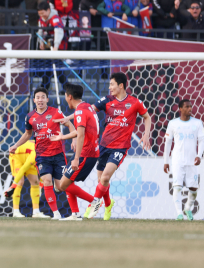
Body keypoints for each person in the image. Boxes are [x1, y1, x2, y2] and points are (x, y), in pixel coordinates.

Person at [55, 72, 151, 220]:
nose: (109, 88)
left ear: (121, 85)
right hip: (104, 145)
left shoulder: (135, 102)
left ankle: (92, 206)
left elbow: (147, 117)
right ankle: (108, 204)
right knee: (102, 181)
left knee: (105, 177)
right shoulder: (107, 100)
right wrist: (68, 118)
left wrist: (146, 134)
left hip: (120, 147)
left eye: (112, 84)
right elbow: (86, 110)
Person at [7, 87, 76, 220]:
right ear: (34, 100)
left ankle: (77, 210)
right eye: (37, 97)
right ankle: (56, 214)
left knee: (62, 186)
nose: (40, 100)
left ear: (47, 99)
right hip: (42, 155)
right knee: (46, 181)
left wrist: (73, 138)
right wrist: (15, 145)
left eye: (42, 97)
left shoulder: (56, 112)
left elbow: (69, 125)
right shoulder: (30, 117)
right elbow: (28, 134)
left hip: (57, 154)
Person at [49, 83, 98, 220]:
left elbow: (80, 135)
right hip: (90, 152)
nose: (65, 98)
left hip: (85, 154)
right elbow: (81, 131)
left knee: (62, 184)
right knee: (67, 180)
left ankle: (94, 201)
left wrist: (76, 158)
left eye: (65, 96)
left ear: (69, 97)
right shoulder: (86, 106)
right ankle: (75, 214)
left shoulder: (80, 111)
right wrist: (62, 137)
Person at [164, 99, 204, 221]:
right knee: (177, 186)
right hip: (177, 160)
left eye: (191, 106)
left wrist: (199, 155)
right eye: (187, 107)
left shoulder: (197, 123)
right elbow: (167, 143)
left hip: (192, 161)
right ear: (180, 109)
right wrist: (166, 161)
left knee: (193, 189)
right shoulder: (173, 123)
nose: (190, 109)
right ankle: (179, 214)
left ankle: (187, 208)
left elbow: (201, 140)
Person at [6, 139, 46, 218]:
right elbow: (23, 169)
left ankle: (36, 212)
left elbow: (44, 171)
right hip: (17, 155)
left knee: (35, 182)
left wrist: (41, 185)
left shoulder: (47, 154)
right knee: (20, 182)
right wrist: (13, 186)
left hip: (27, 156)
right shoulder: (35, 153)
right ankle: (16, 212)